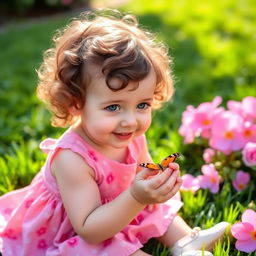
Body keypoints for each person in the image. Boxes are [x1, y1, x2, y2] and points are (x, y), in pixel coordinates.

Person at [0, 9, 229, 256]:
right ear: (76, 103)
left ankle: (185, 241)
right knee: (103, 247)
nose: (130, 121)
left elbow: (143, 179)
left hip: (117, 207)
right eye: (113, 107)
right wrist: (136, 198)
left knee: (152, 205)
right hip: (79, 228)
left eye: (142, 105)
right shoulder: (71, 159)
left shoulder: (130, 135)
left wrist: (154, 186)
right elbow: (89, 229)